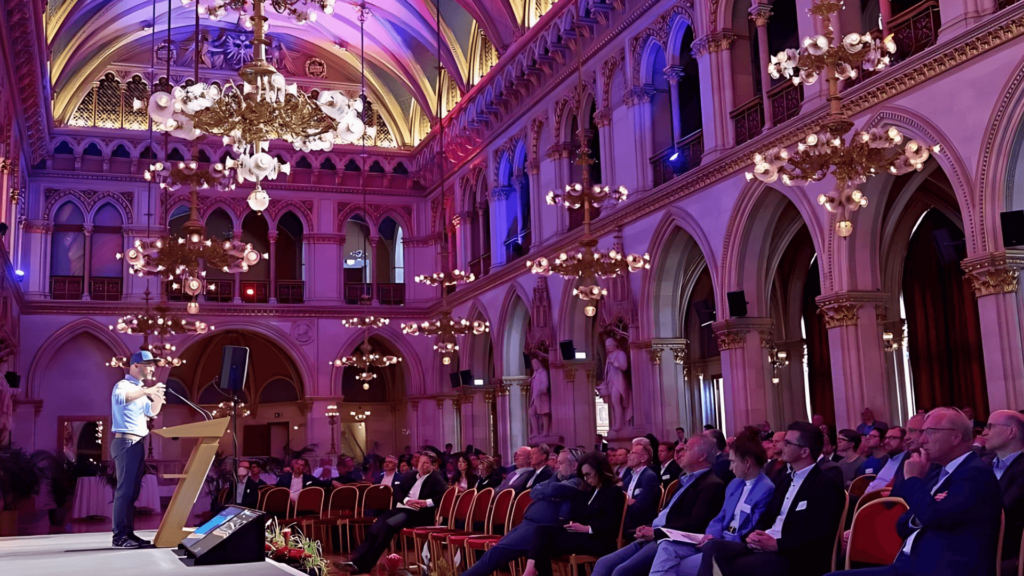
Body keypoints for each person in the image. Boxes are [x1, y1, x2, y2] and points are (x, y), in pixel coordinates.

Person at [828, 408, 1003, 576]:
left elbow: (932, 515)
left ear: (956, 437)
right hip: (910, 566)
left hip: (941, 569)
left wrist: (913, 479)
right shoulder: (938, 474)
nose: (922, 440)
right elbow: (903, 524)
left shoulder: (974, 473)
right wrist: (924, 512)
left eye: (930, 432)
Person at [698, 422, 846, 576]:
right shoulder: (785, 479)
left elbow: (820, 534)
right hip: (767, 544)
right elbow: (767, 517)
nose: (782, 446)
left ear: (804, 451)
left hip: (793, 554)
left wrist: (777, 545)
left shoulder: (825, 485)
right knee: (714, 547)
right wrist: (752, 535)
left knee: (739, 565)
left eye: (787, 443)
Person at [649, 427, 776, 576]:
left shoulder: (765, 488)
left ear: (747, 463)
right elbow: (720, 517)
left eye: (733, 462)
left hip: (735, 543)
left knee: (679, 566)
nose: (730, 467)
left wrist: (717, 540)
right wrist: (711, 534)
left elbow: (752, 525)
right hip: (716, 540)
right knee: (667, 546)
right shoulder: (735, 484)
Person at [592, 437, 726, 576]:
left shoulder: (712, 485)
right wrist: (649, 527)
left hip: (670, 540)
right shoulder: (684, 479)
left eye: (686, 449)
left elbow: (694, 525)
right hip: (656, 534)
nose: (680, 453)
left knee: (622, 572)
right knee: (603, 563)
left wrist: (656, 532)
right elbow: (667, 514)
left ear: (702, 455)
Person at [461, 449, 586, 576]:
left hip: (539, 528)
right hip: (528, 524)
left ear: (575, 465)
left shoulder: (578, 481)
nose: (557, 466)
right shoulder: (558, 477)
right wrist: (549, 490)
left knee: (496, 554)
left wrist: (548, 491)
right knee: (494, 552)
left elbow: (553, 489)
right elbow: (534, 491)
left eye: (561, 463)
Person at [339, 453, 449, 574]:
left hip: (417, 514)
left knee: (387, 527)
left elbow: (446, 495)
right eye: (420, 462)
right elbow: (397, 491)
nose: (421, 466)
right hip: (402, 508)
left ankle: (364, 565)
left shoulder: (436, 478)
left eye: (426, 463)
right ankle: (357, 562)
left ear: (433, 465)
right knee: (375, 527)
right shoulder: (411, 475)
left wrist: (426, 502)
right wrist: (407, 500)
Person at [519, 452, 626, 576]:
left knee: (542, 541)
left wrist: (586, 528)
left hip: (600, 540)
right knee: (541, 531)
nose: (586, 479)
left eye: (588, 474)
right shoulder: (592, 489)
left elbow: (611, 524)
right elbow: (582, 514)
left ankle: (529, 571)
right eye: (583, 475)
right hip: (585, 535)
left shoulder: (612, 491)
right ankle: (530, 570)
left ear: (600, 470)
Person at [110, 350, 164, 548]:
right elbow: (121, 399)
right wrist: (147, 392)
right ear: (136, 366)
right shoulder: (123, 385)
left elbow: (151, 412)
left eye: (153, 365)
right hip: (125, 442)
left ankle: (129, 534)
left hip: (137, 443)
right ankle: (119, 537)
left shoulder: (141, 389)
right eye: (148, 364)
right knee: (124, 492)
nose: (152, 368)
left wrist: (157, 397)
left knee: (132, 493)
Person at [982, 410, 1024, 575]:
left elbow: (1003, 511)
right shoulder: (983, 466)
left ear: (1011, 431)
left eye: (990, 426)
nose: (984, 432)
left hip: (1005, 551)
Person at [622, 443, 661, 537]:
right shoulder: (629, 477)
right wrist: (627, 501)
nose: (629, 455)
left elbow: (641, 506)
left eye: (633, 453)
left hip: (640, 523)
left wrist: (625, 500)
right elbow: (620, 499)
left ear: (643, 458)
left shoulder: (649, 477)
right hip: (628, 518)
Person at [865, 426, 908, 492]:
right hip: (866, 498)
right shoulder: (886, 459)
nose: (886, 441)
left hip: (881, 500)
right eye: (886, 438)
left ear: (903, 441)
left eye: (892, 438)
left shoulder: (906, 461)